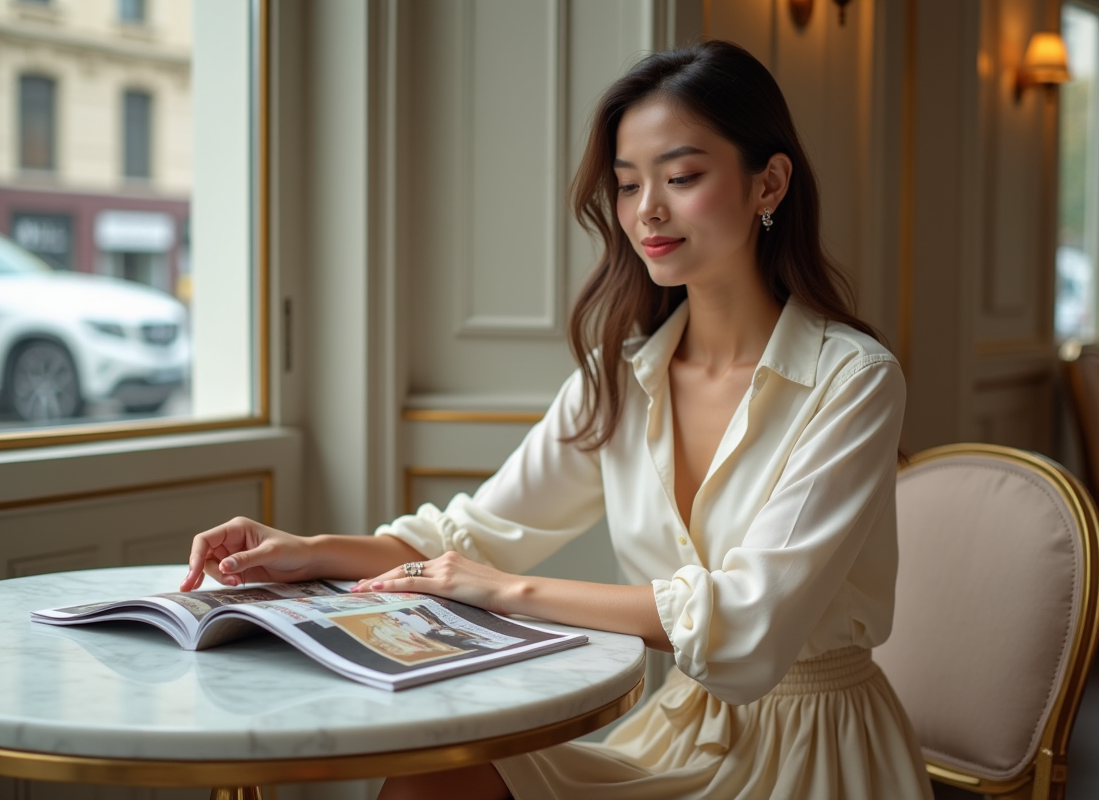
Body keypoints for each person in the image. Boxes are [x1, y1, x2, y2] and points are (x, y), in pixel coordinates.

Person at [181, 40, 933, 800]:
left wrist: (501, 590)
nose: (648, 212)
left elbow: (747, 623)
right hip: (676, 736)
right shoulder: (618, 379)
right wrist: (308, 551)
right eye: (629, 184)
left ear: (767, 184)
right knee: (437, 770)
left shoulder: (853, 380)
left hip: (813, 755)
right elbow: (469, 536)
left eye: (682, 177)